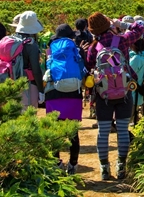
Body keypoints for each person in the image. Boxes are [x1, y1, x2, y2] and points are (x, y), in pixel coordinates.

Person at [88, 12, 138, 181]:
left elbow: (89, 67)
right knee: (123, 130)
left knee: (103, 132)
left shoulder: (94, 47)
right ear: (108, 25)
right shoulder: (122, 40)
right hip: (124, 92)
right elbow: (140, 27)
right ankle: (121, 167)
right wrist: (122, 24)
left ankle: (104, 169)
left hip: (103, 95)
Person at [45, 24, 84, 175]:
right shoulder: (77, 49)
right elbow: (83, 69)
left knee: (54, 131)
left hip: (54, 93)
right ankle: (73, 165)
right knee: (73, 132)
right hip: (74, 93)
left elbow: (47, 70)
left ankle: (57, 164)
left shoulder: (50, 50)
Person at [8, 11, 45, 109]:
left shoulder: (11, 40)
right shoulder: (31, 45)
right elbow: (36, 70)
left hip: (10, 83)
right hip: (28, 85)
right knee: (28, 116)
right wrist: (41, 90)